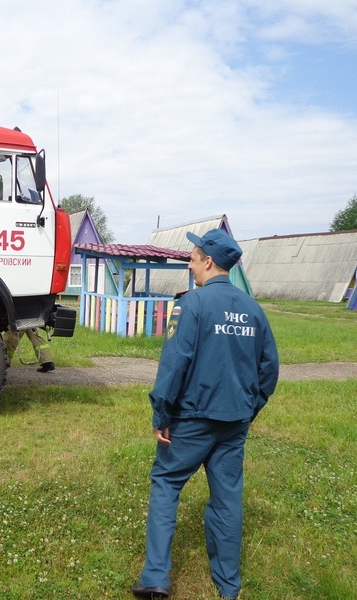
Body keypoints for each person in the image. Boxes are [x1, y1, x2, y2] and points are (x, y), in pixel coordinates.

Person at [132, 229, 279, 600]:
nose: (190, 264)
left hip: (190, 420)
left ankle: (155, 578)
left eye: (193, 258)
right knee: (227, 498)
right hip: (234, 422)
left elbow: (174, 362)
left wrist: (161, 413)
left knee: (166, 483)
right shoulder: (253, 308)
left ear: (208, 261)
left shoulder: (191, 304)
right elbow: (269, 369)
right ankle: (229, 585)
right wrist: (249, 409)